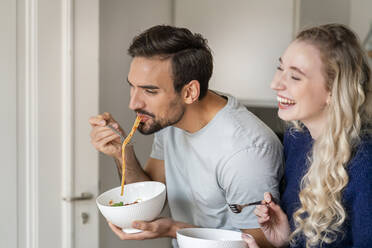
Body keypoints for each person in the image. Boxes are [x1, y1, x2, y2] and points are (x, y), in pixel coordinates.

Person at [89, 25, 283, 247]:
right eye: (132, 87)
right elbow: (150, 195)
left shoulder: (245, 151)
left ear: (190, 92)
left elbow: (260, 243)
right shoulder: (171, 121)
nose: (133, 103)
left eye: (150, 91)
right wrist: (122, 151)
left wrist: (173, 229)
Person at [242, 24, 372, 248]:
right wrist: (285, 238)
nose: (275, 84)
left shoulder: (365, 165)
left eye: (294, 77)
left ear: (332, 90)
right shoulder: (297, 138)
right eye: (279, 68)